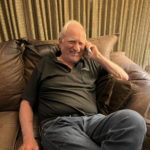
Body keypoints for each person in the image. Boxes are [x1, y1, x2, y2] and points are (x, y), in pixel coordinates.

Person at [19, 20, 146, 150]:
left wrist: (98, 57)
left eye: (81, 43)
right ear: (60, 41)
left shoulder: (91, 63)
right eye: (72, 41)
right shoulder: (44, 64)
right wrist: (28, 138)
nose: (76, 48)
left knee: (134, 121)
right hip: (59, 125)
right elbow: (26, 102)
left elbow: (123, 77)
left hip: (94, 121)